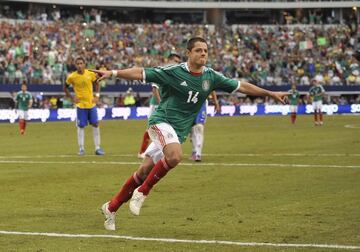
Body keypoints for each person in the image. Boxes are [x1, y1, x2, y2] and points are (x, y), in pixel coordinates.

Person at [92, 37, 288, 231]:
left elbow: (241, 86)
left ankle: (111, 208)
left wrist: (270, 93)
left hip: (178, 132)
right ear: (188, 53)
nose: (203, 53)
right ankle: (142, 192)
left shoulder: (210, 76)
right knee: (175, 156)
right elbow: (141, 72)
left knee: (143, 172)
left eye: (205, 50)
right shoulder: (174, 72)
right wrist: (113, 72)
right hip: (161, 122)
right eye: (198, 50)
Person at [138, 53, 182, 159]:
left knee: (165, 129)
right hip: (157, 105)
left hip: (166, 105)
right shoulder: (162, 70)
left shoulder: (175, 73)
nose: (178, 63)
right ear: (170, 60)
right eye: (175, 61)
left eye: (178, 61)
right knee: (151, 128)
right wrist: (162, 103)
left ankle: (160, 151)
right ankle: (142, 152)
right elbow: (155, 89)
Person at [64, 57, 105, 156]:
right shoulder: (72, 77)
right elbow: (65, 87)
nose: (79, 65)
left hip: (91, 104)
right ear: (75, 65)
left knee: (95, 124)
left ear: (84, 64)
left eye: (81, 63)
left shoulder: (90, 73)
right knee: (81, 126)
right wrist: (72, 98)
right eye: (77, 63)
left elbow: (97, 82)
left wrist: (97, 96)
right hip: (80, 105)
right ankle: (81, 148)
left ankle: (97, 148)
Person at [189, 91, 220, 162]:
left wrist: (216, 102)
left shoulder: (206, 80)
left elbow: (212, 88)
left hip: (201, 103)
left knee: (199, 127)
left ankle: (198, 154)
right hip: (188, 103)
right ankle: (194, 151)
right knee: (192, 129)